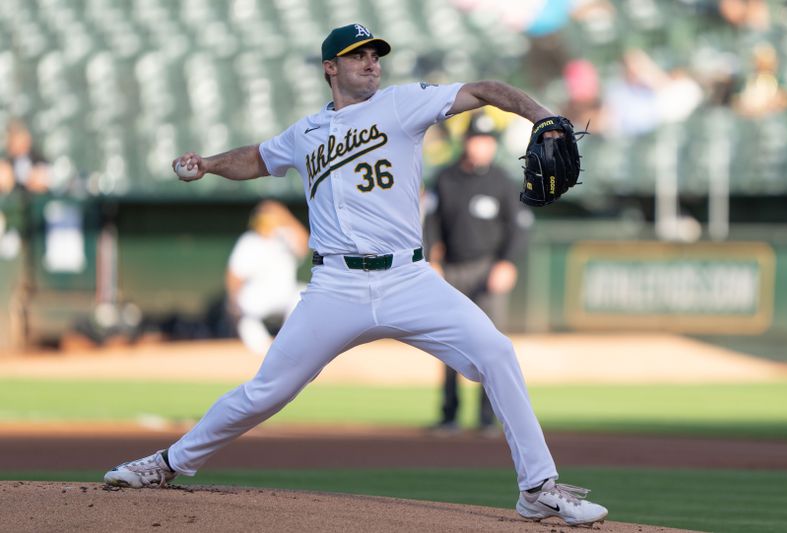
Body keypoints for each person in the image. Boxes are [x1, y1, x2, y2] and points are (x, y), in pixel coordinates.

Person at [103, 23, 608, 526]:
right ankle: (167, 463)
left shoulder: (402, 103)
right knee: (266, 391)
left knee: (496, 352)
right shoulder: (305, 134)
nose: (371, 62)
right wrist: (209, 163)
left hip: (408, 279)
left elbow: (485, 90)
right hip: (335, 288)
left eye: (375, 54)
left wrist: (543, 115)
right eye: (357, 55)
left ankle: (538, 488)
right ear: (330, 67)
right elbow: (257, 158)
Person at [425, 112, 530, 437]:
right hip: (453, 269)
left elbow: (520, 227)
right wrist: (431, 260)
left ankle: (487, 419)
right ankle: (449, 416)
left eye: (485, 140)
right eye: (475, 139)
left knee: (489, 346)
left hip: (487, 268)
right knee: (449, 345)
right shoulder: (444, 178)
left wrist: (507, 263)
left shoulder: (501, 180)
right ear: (465, 141)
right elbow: (428, 222)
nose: (480, 146)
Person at [226, 200, 309, 355]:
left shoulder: (285, 236)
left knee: (304, 294)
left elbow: (304, 245)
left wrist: (284, 214)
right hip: (259, 296)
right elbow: (235, 274)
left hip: (284, 293)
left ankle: (288, 344)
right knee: (243, 308)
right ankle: (263, 352)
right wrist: (233, 299)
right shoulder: (249, 241)